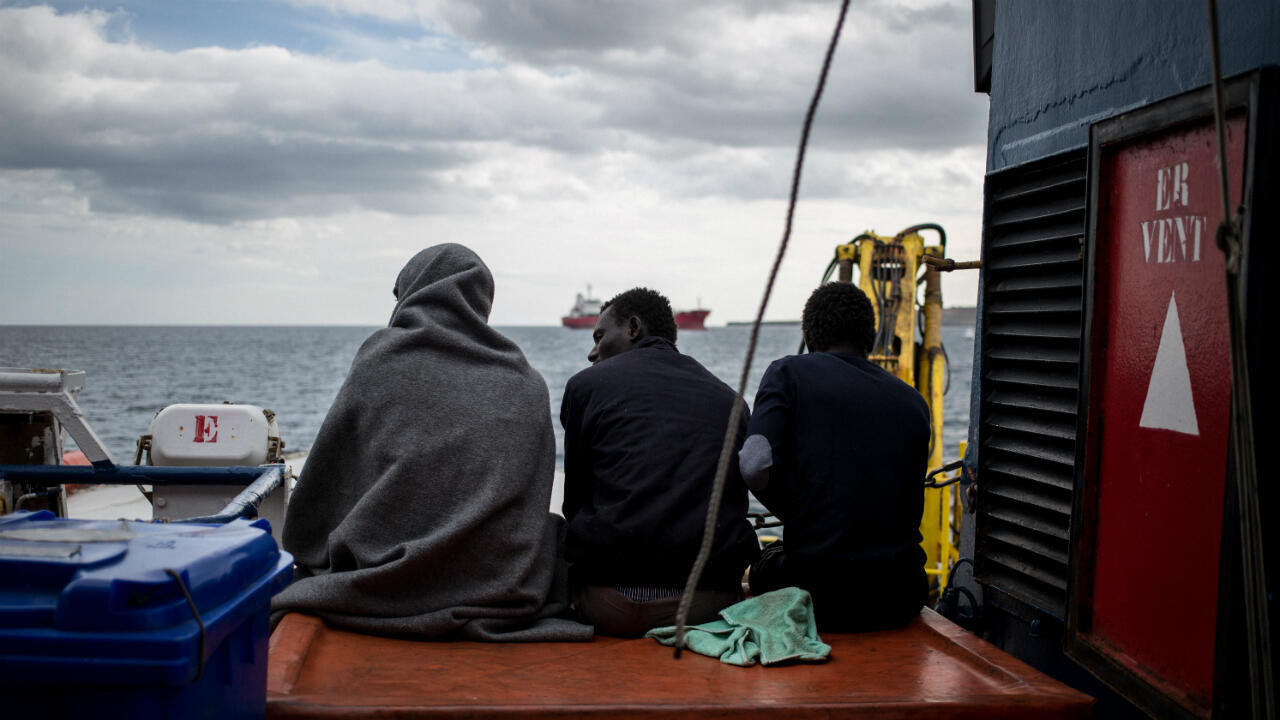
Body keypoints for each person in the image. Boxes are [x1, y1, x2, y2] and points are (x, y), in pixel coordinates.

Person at [271, 244, 592, 642]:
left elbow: (325, 478)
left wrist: (308, 544)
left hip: (385, 574)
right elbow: (533, 494)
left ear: (415, 291)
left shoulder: (380, 358)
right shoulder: (527, 381)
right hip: (501, 579)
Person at [559, 287, 760, 636]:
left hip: (615, 605)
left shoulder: (585, 387)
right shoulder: (733, 402)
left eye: (600, 336)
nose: (592, 353)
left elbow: (574, 502)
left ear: (633, 328)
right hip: (713, 604)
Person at [740, 281, 930, 632]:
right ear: (870, 340)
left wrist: (797, 511)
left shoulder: (788, 373)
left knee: (765, 561)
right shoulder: (914, 401)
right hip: (902, 594)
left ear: (810, 338)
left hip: (818, 592)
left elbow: (753, 464)